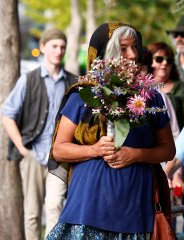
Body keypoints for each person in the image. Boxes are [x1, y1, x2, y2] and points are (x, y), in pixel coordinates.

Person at [46, 22, 175, 239]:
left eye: (135, 46)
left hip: (134, 209)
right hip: (87, 208)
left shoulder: (148, 97)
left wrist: (136, 155)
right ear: (105, 54)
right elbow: (59, 150)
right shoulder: (83, 96)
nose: (133, 55)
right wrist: (95, 149)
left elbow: (168, 150)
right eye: (124, 48)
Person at [1, 28, 77, 239]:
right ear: (43, 47)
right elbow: (7, 115)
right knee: (32, 214)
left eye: (62, 47)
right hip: (33, 155)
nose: (59, 51)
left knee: (55, 209)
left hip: (59, 158)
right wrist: (23, 150)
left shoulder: (73, 83)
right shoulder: (29, 79)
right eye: (54, 46)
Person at [147, 42, 184, 130]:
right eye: (159, 59)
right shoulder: (139, 87)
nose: (165, 63)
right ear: (149, 61)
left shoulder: (181, 88)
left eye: (169, 60)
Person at [141, 47, 180, 140]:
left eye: (141, 67)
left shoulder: (159, 95)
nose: (135, 72)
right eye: (159, 59)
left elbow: (174, 134)